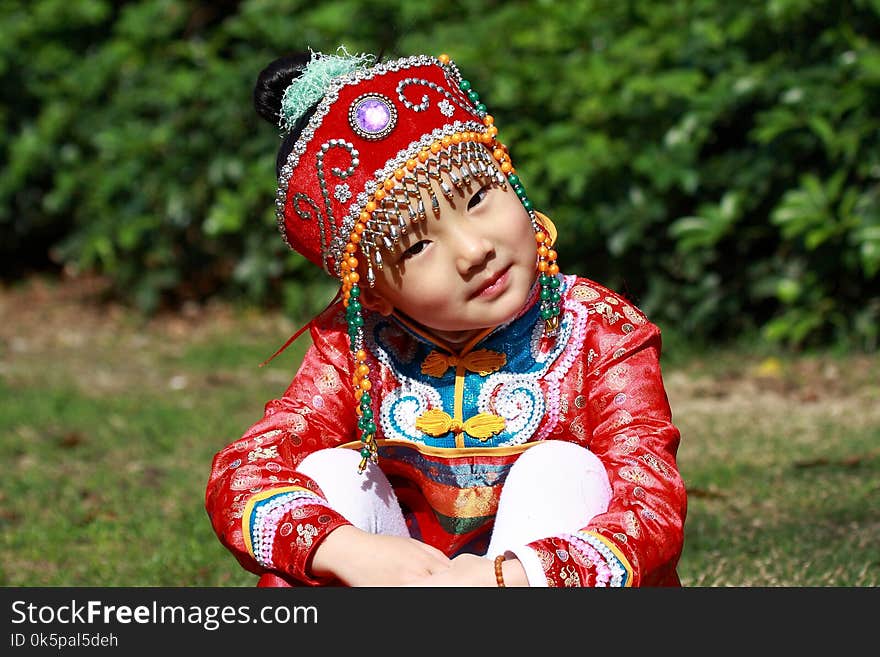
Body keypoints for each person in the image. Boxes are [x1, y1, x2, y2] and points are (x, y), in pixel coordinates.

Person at [205, 46, 687, 587]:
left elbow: (651, 500)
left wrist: (516, 575)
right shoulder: (355, 347)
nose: (473, 250)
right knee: (327, 475)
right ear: (373, 294)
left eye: (479, 196)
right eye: (414, 247)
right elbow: (242, 473)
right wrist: (344, 549)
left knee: (563, 470)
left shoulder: (600, 327)